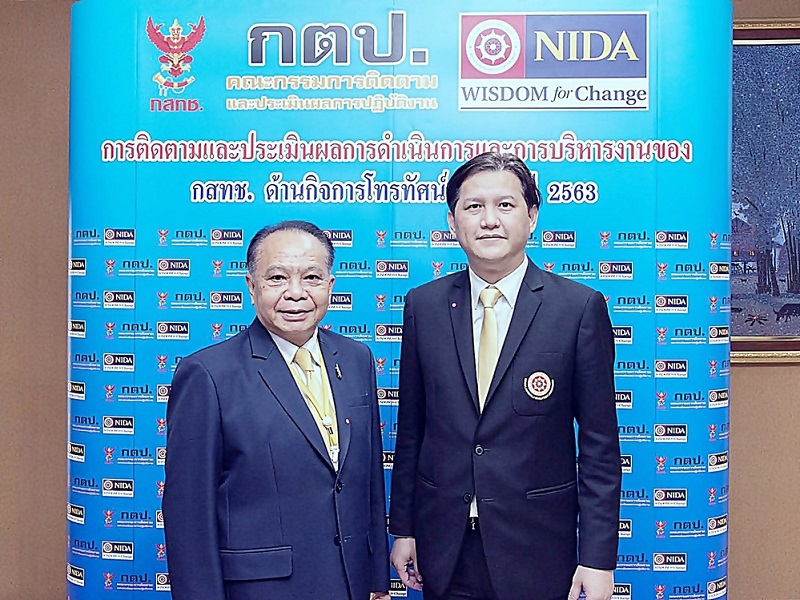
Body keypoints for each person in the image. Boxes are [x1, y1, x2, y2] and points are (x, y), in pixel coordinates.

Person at [389, 153, 621, 600]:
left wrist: (597, 558)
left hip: (537, 550)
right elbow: (412, 430)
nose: (489, 220)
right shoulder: (424, 306)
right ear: (452, 221)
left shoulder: (577, 309)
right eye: (473, 206)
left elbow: (599, 448)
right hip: (445, 548)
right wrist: (404, 528)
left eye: (505, 205)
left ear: (532, 217)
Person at [163, 220, 390, 600]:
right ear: (252, 287)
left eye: (312, 277)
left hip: (351, 584)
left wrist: (377, 582)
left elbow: (368, 484)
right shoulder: (208, 374)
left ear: (330, 285)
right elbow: (188, 517)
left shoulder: (356, 359)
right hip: (262, 588)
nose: (296, 293)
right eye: (277, 278)